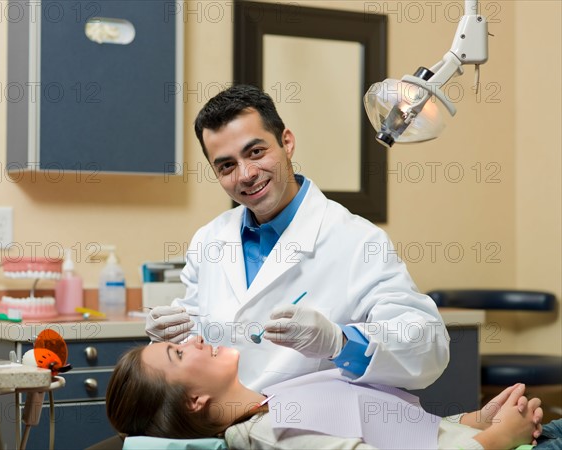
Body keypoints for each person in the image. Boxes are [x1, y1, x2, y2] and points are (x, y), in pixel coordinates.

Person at [146, 85, 449, 392]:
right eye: (227, 166)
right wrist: (168, 338)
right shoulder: (209, 240)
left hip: (312, 427)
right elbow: (197, 331)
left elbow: (428, 349)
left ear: (286, 143)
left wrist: (339, 341)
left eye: (256, 152)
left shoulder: (358, 241)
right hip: (225, 424)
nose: (246, 174)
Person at [106, 337, 551, 450]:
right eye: (180, 353)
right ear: (193, 401)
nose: (196, 340)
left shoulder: (276, 402)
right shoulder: (275, 432)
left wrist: (475, 420)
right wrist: (496, 440)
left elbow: (395, 435)